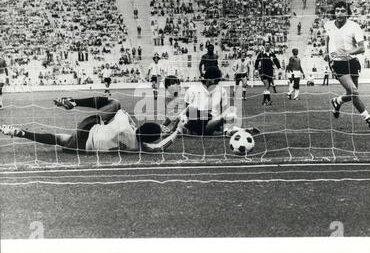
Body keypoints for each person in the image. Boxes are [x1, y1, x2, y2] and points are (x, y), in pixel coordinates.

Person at [0, 96, 186, 153]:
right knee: (58, 139)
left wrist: (171, 128)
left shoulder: (125, 123)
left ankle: (73, 102)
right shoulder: (137, 147)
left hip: (89, 127)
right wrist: (176, 131)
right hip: (83, 147)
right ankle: (20, 133)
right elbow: (160, 147)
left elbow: (117, 112)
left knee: (115, 104)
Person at [324, 0, 370, 132]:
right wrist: (326, 52)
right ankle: (369, 120)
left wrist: (348, 52)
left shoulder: (354, 27)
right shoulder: (328, 25)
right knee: (354, 92)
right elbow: (328, 38)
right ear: (334, 12)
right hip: (338, 63)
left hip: (352, 62)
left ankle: (337, 101)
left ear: (347, 13)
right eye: (337, 11)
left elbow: (361, 48)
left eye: (342, 11)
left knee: (352, 94)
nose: (339, 13)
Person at [183, 67, 260, 136]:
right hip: (195, 122)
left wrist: (219, 122)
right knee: (191, 109)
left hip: (210, 123)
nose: (218, 83)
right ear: (210, 79)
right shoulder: (192, 89)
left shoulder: (222, 91)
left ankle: (228, 131)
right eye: (217, 80)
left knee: (231, 114)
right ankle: (236, 130)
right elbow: (187, 109)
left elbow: (223, 111)